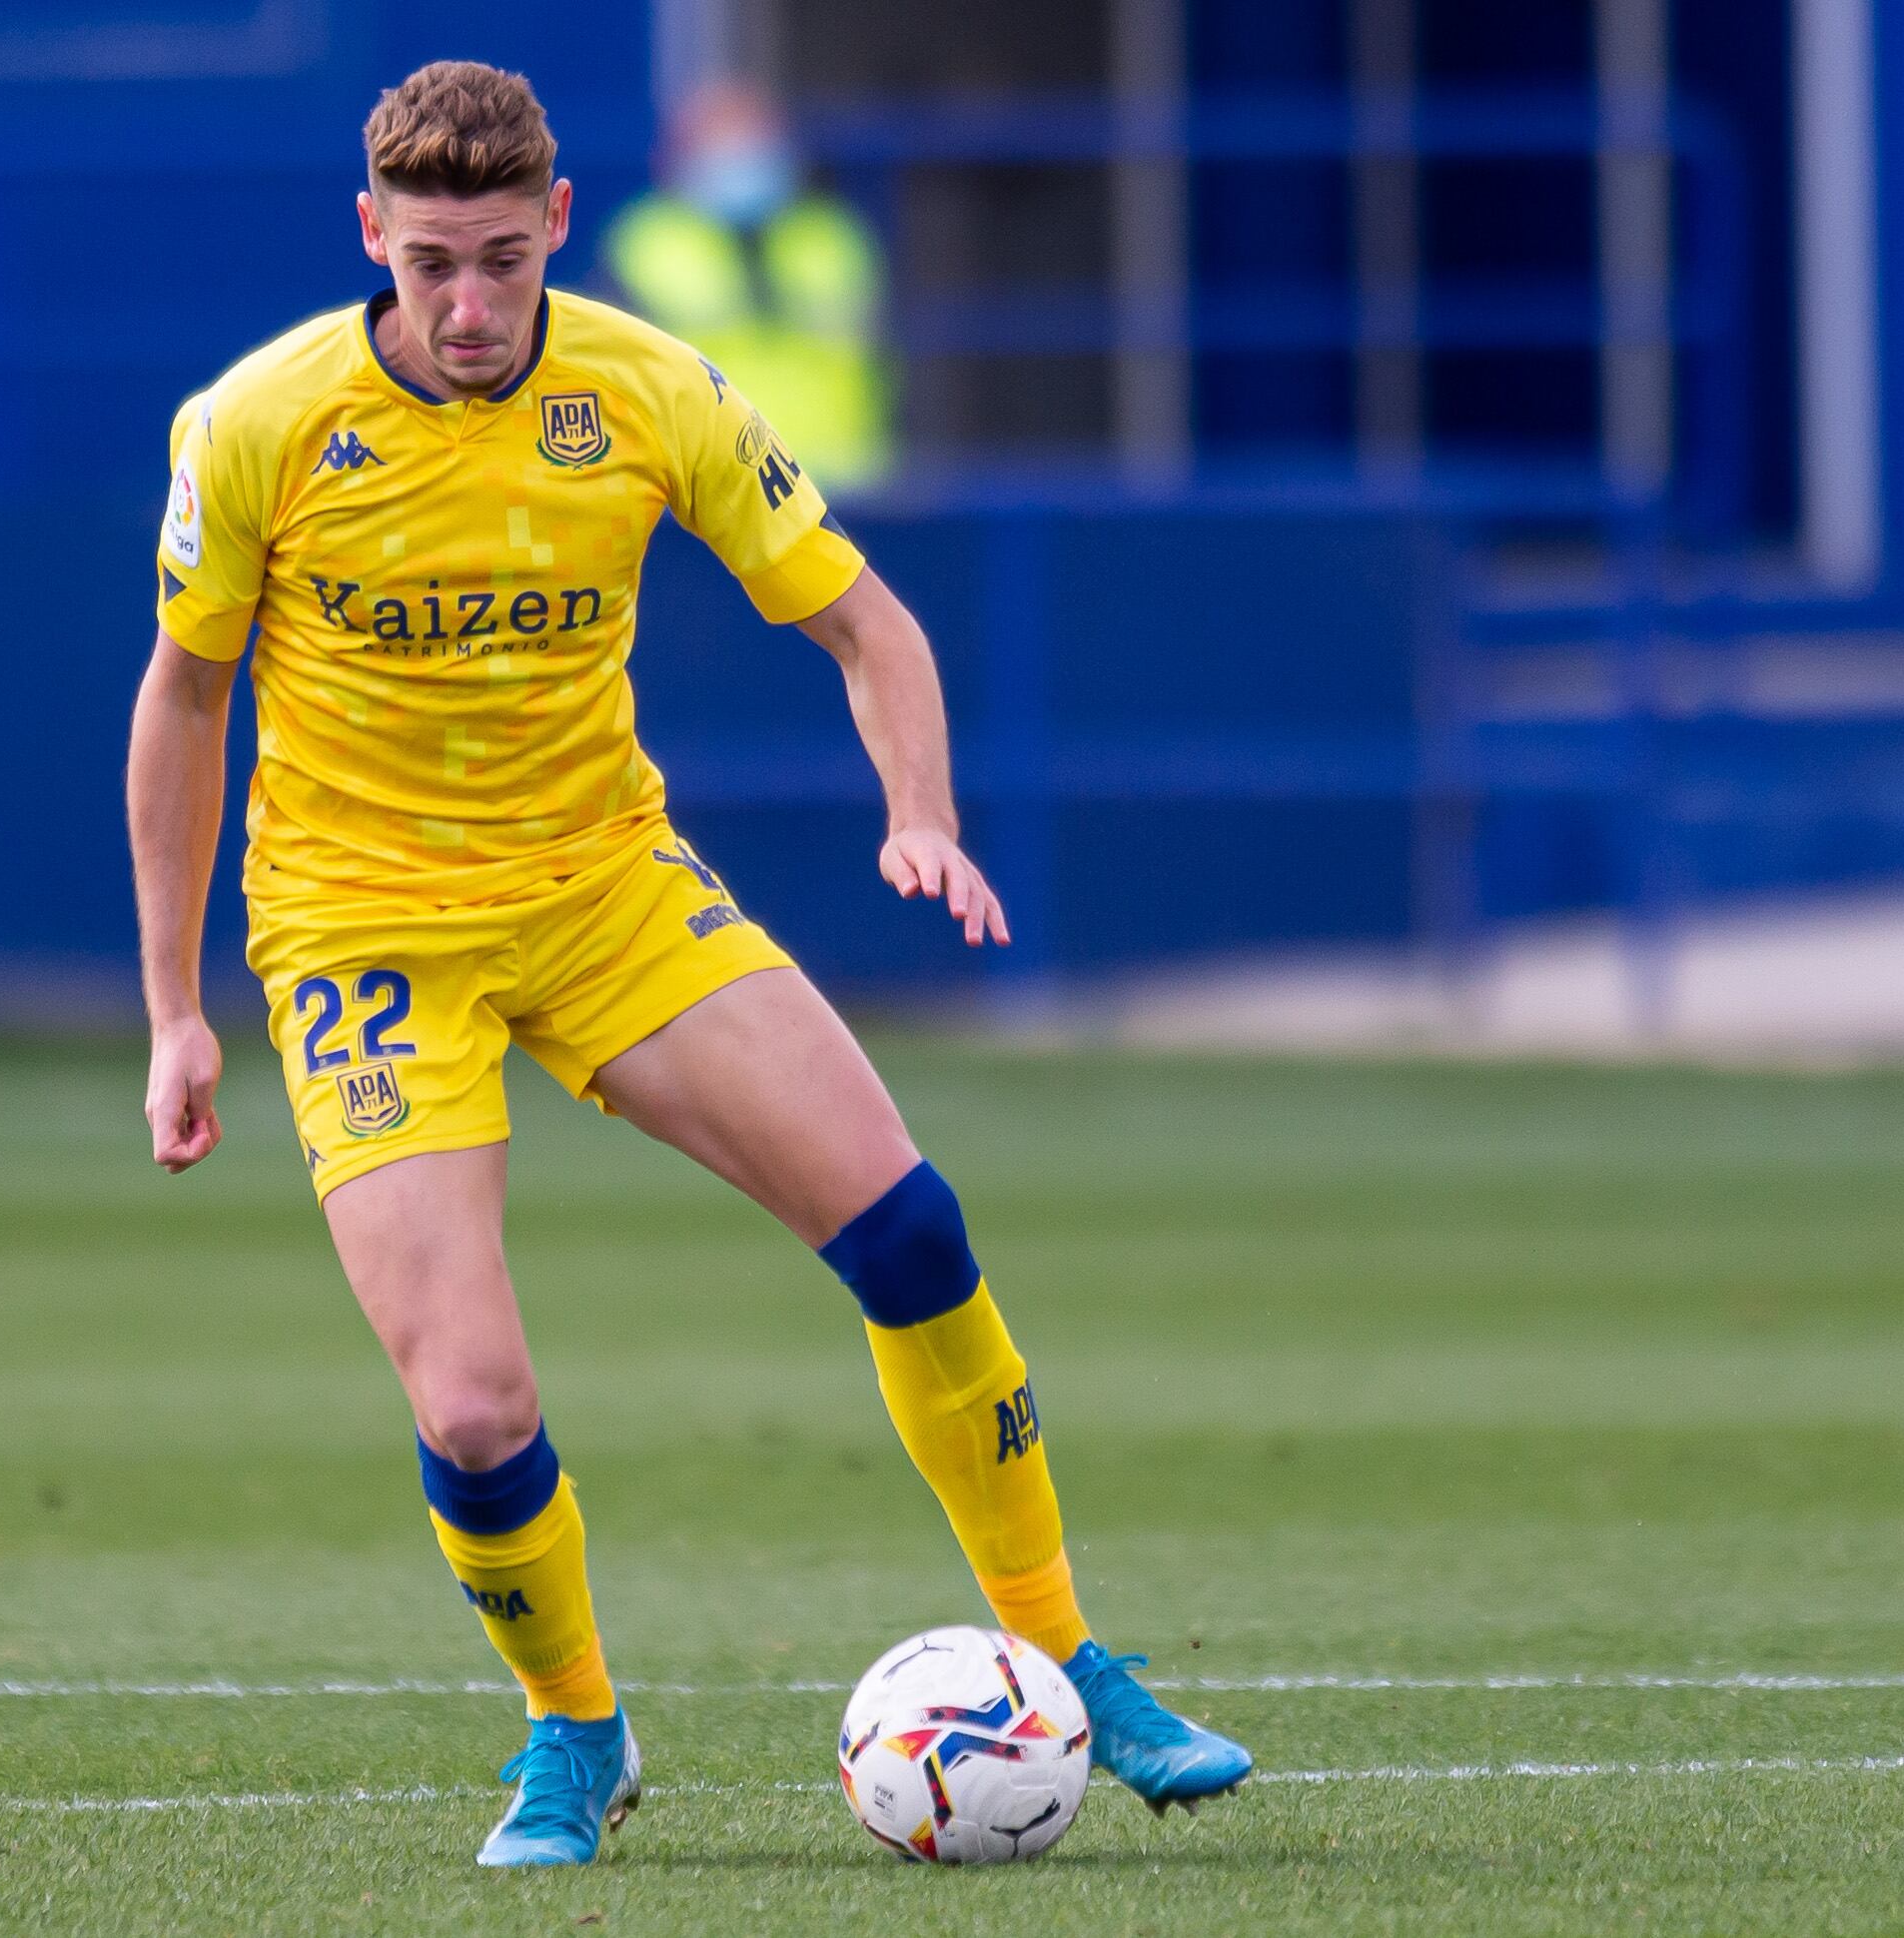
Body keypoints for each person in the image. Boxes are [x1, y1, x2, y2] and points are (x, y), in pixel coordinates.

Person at [125, 60, 1250, 1869]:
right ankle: (577, 1732)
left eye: (502, 256)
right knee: (475, 1403)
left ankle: (1065, 1650)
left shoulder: (649, 391)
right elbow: (184, 699)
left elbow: (866, 623)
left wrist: (922, 813)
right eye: (431, 266)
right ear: (370, 240)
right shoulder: (257, 423)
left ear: (560, 221)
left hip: (606, 887)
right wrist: (179, 1009)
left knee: (912, 1230)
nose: (472, 305)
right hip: (359, 930)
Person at [604, 80, 894, 490]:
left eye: (751, 145)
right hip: (707, 490)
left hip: (840, 483)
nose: (739, 161)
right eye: (722, 148)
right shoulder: (646, 243)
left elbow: (878, 350)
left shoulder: (831, 237)